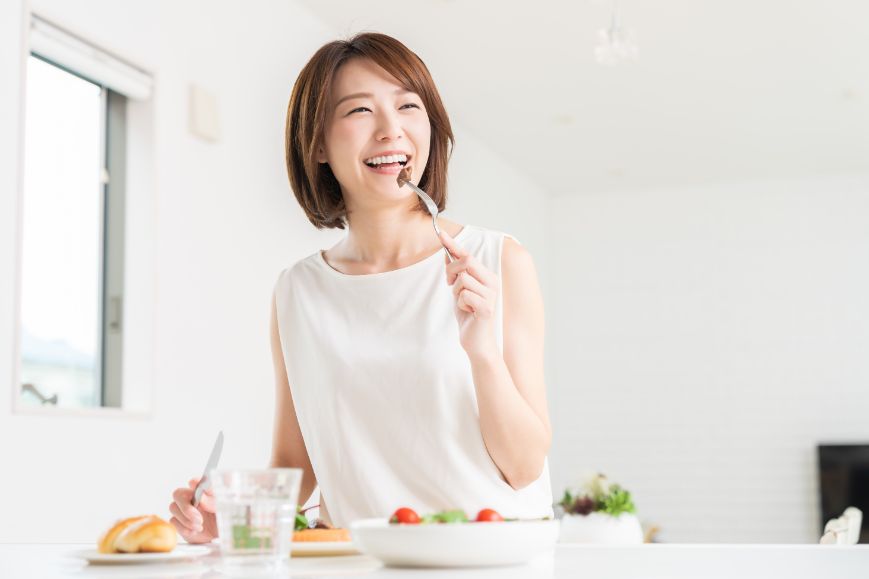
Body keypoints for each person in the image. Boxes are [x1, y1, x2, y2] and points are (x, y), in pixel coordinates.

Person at [169, 32, 552, 542]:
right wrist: (232, 518)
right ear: (318, 144)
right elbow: (294, 463)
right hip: (356, 561)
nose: (391, 130)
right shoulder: (297, 290)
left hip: (485, 557)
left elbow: (524, 467)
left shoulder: (499, 260)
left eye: (408, 106)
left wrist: (482, 351)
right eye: (360, 111)